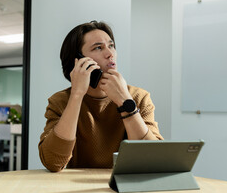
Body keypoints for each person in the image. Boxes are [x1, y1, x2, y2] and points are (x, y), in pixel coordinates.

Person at [38, 21, 163, 172]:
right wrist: (77, 95)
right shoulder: (60, 101)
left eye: (111, 46)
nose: (110, 54)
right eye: (98, 47)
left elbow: (153, 160)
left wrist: (125, 102)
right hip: (74, 189)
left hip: (124, 187)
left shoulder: (139, 97)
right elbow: (53, 162)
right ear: (78, 60)